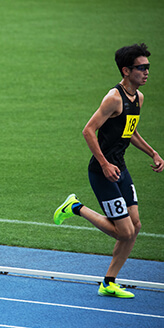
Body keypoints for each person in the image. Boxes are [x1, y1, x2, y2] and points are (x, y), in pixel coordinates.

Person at [54, 43, 163, 298]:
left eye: (148, 67)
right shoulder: (114, 98)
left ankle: (109, 281)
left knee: (134, 227)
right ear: (126, 70)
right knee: (123, 231)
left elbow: (130, 131)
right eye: (141, 68)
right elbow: (88, 130)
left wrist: (153, 152)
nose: (146, 72)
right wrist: (104, 164)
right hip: (102, 170)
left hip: (120, 167)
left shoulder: (139, 98)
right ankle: (75, 207)